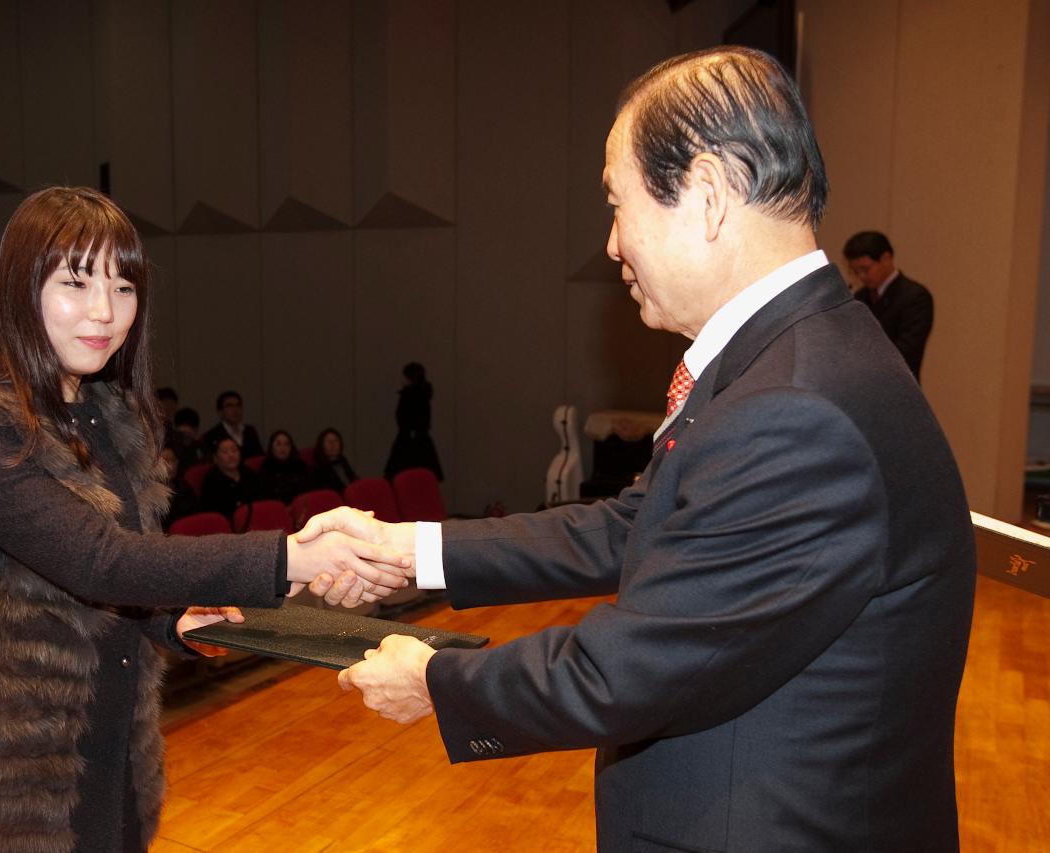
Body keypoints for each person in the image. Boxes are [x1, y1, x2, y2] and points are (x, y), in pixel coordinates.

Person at [309, 47, 976, 851]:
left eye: (618, 205)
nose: (612, 245)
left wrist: (434, 681)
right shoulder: (805, 353)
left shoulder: (796, 407)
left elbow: (633, 668)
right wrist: (407, 547)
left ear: (706, 196)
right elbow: (641, 525)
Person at [0, 186, 410, 853]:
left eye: (123, 286)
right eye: (76, 282)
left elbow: (107, 581)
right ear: (19, 288)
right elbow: (97, 558)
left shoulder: (110, 416)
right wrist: (293, 556)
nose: (104, 311)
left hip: (111, 756)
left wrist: (170, 621)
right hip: (12, 770)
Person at [842, 230, 933, 379]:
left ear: (886, 258)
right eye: (855, 271)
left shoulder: (915, 296)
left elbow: (906, 352)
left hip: (900, 387)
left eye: (865, 269)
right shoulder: (859, 297)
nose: (861, 276)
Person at [383, 361, 444, 480]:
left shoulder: (408, 396)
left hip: (407, 444)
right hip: (423, 444)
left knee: (400, 479)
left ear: (409, 377)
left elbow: (403, 420)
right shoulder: (425, 395)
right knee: (422, 480)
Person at [200, 436, 261, 522]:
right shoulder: (211, 481)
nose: (231, 455)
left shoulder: (248, 473)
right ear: (215, 458)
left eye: (234, 450)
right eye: (225, 452)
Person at [202, 390, 264, 458]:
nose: (235, 409)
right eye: (229, 406)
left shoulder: (250, 431)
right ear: (220, 412)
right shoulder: (212, 436)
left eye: (238, 405)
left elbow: (259, 456)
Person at [260, 429, 310, 505]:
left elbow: (306, 490)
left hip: (298, 506)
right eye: (278, 444)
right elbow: (265, 495)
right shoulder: (266, 466)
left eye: (286, 444)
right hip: (276, 508)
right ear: (272, 447)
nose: (282, 448)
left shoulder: (299, 465)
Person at [309, 427, 358, 494]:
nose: (333, 444)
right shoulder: (317, 470)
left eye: (336, 440)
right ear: (321, 445)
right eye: (328, 441)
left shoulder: (343, 461)